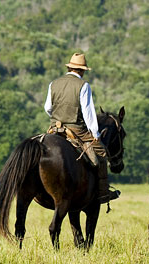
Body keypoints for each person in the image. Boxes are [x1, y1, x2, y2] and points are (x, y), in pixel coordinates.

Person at [44, 53, 119, 204]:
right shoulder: (83, 86)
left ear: (70, 67)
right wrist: (95, 133)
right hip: (76, 129)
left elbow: (48, 108)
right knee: (101, 151)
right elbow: (88, 113)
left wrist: (58, 118)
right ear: (82, 70)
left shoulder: (54, 83)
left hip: (54, 128)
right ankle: (103, 192)